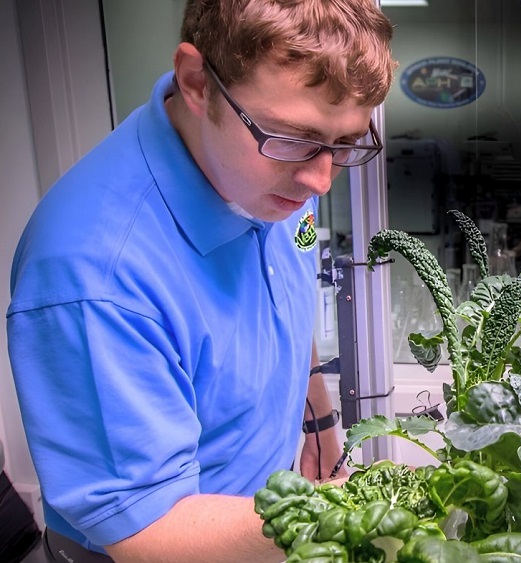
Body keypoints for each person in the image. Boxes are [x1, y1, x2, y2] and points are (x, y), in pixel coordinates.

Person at [6, 0, 395, 561]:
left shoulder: (281, 186)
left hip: (256, 519)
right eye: (294, 138)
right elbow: (147, 533)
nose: (321, 180)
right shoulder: (93, 275)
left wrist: (320, 423)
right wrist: (351, 512)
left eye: (346, 143)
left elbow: (286, 296)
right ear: (196, 81)